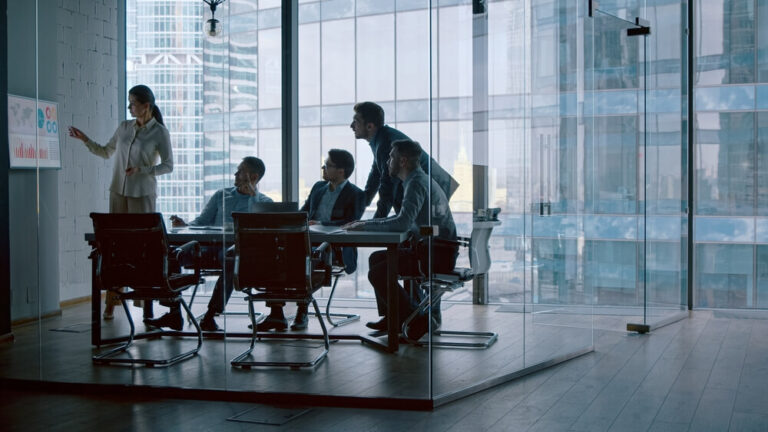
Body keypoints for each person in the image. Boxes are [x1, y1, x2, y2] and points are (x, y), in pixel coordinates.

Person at [69, 84, 173, 321]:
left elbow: (168, 165)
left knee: (141, 249)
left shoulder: (159, 132)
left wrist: (143, 169)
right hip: (118, 192)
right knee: (115, 248)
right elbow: (106, 152)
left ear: (146, 106)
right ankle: (112, 302)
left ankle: (144, 303)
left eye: (133, 103)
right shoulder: (124, 127)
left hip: (143, 195)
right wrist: (85, 139)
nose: (129, 107)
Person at [343, 139, 458, 341]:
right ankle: (393, 318)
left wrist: (366, 225)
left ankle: (417, 319)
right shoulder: (416, 180)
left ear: (403, 161)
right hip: (435, 249)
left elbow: (403, 223)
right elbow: (402, 219)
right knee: (376, 259)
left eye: (391, 157)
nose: (387, 161)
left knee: (378, 273)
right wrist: (367, 223)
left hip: (435, 254)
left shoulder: (416, 183)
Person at [146, 157, 272, 331]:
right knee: (173, 254)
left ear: (254, 176)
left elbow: (258, 231)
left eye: (240, 171)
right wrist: (186, 225)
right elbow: (201, 221)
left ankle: (211, 315)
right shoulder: (222, 195)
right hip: (207, 249)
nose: (235, 174)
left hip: (233, 251)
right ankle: (174, 312)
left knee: (231, 258)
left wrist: (252, 198)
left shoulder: (264, 203)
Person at [257, 149, 366, 332]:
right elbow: (303, 212)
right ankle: (276, 314)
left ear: (341, 171)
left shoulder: (356, 194)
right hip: (307, 242)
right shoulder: (318, 187)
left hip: (334, 248)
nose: (323, 168)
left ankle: (302, 311)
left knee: (305, 261)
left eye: (328, 165)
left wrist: (322, 223)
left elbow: (352, 222)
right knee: (276, 256)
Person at [350, 101, 459, 219]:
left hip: (436, 187)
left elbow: (387, 187)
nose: (351, 126)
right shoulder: (380, 139)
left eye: (356, 121)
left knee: (420, 228)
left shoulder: (385, 143)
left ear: (370, 126)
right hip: (436, 184)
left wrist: (372, 225)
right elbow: (376, 175)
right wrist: (361, 206)